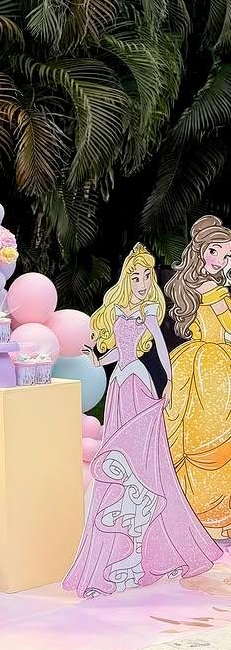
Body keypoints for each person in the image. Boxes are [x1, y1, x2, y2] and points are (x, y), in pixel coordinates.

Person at [64, 245, 222, 597]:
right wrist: (97, 359)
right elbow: (119, 352)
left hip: (138, 381)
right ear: (127, 279)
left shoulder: (149, 310)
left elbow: (160, 347)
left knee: (143, 455)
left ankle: (153, 541)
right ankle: (126, 548)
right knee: (119, 448)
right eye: (135, 277)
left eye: (146, 276)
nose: (141, 282)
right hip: (119, 383)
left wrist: (169, 381)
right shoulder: (120, 309)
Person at [165, 216, 231, 538]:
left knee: (197, 435)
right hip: (213, 367)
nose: (219, 260)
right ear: (201, 250)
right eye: (215, 251)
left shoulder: (194, 286)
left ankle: (191, 516)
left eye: (227, 255)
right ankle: (213, 517)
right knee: (212, 436)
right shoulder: (214, 291)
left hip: (195, 360)